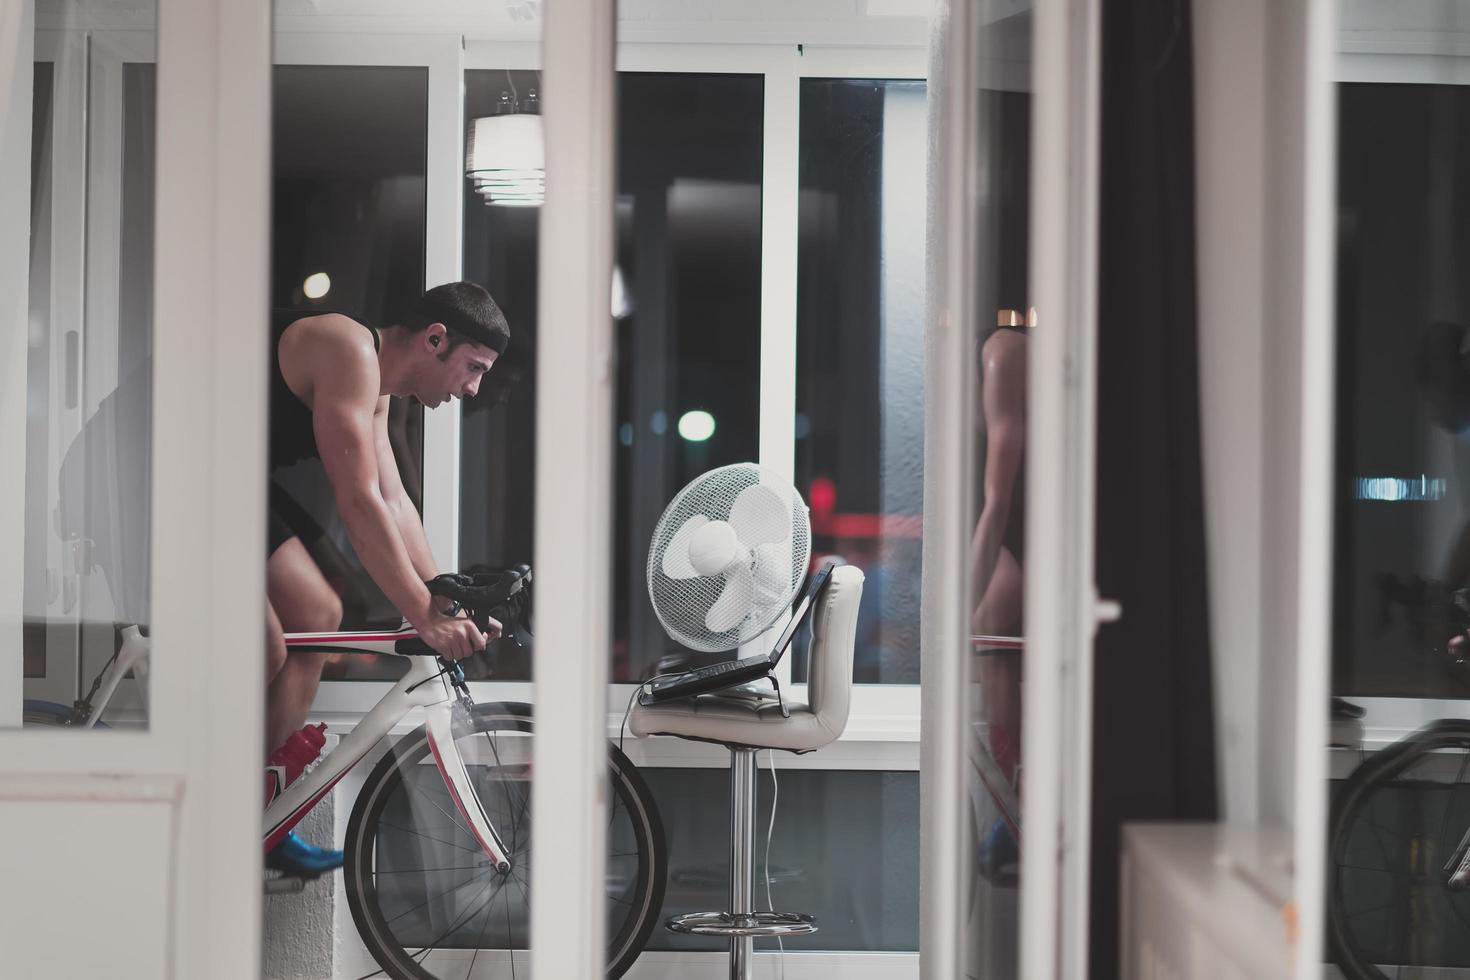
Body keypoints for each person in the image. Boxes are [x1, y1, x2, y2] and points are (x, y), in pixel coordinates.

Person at [265, 281, 509, 873]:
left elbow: (392, 500)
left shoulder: (374, 383)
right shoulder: (347, 348)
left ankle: (258, 819)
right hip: (148, 463)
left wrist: (445, 600)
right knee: (266, 643)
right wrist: (422, 615)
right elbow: (356, 501)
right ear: (434, 339)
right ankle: (211, 809)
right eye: (473, 368)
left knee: (318, 616)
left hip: (216, 469)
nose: (473, 389)